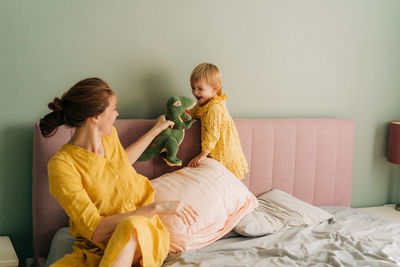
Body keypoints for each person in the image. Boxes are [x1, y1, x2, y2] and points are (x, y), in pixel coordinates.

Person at [40, 78, 198, 267]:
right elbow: (95, 230)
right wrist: (155, 208)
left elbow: (121, 163)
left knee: (130, 225)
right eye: (113, 109)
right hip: (97, 246)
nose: (117, 114)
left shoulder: (110, 136)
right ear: (95, 116)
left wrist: (155, 130)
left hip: (141, 232)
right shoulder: (62, 165)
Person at [187, 63, 248, 180]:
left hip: (224, 151)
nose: (195, 92)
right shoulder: (203, 103)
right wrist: (178, 116)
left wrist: (202, 155)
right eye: (193, 88)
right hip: (214, 151)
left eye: (200, 88)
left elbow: (212, 134)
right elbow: (192, 113)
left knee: (226, 180)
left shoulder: (214, 107)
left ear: (214, 88)